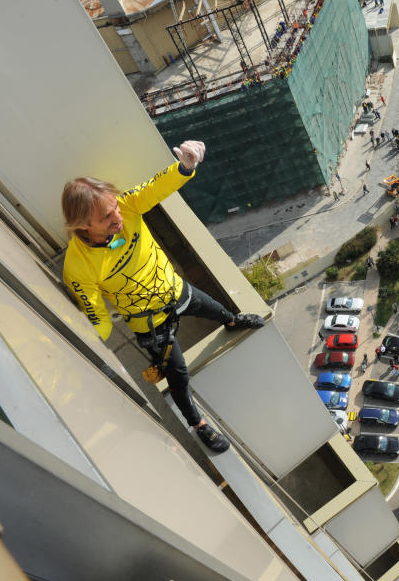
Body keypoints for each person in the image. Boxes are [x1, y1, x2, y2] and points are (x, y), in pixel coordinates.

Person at [61, 140, 264, 453]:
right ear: (84, 225)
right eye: (106, 216)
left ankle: (233, 320)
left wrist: (185, 167)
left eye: (114, 205)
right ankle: (198, 424)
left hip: (174, 288)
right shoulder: (79, 265)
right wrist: (89, 347)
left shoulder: (126, 207)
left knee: (215, 308)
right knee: (178, 376)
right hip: (151, 324)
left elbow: (157, 188)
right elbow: (97, 315)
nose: (117, 216)